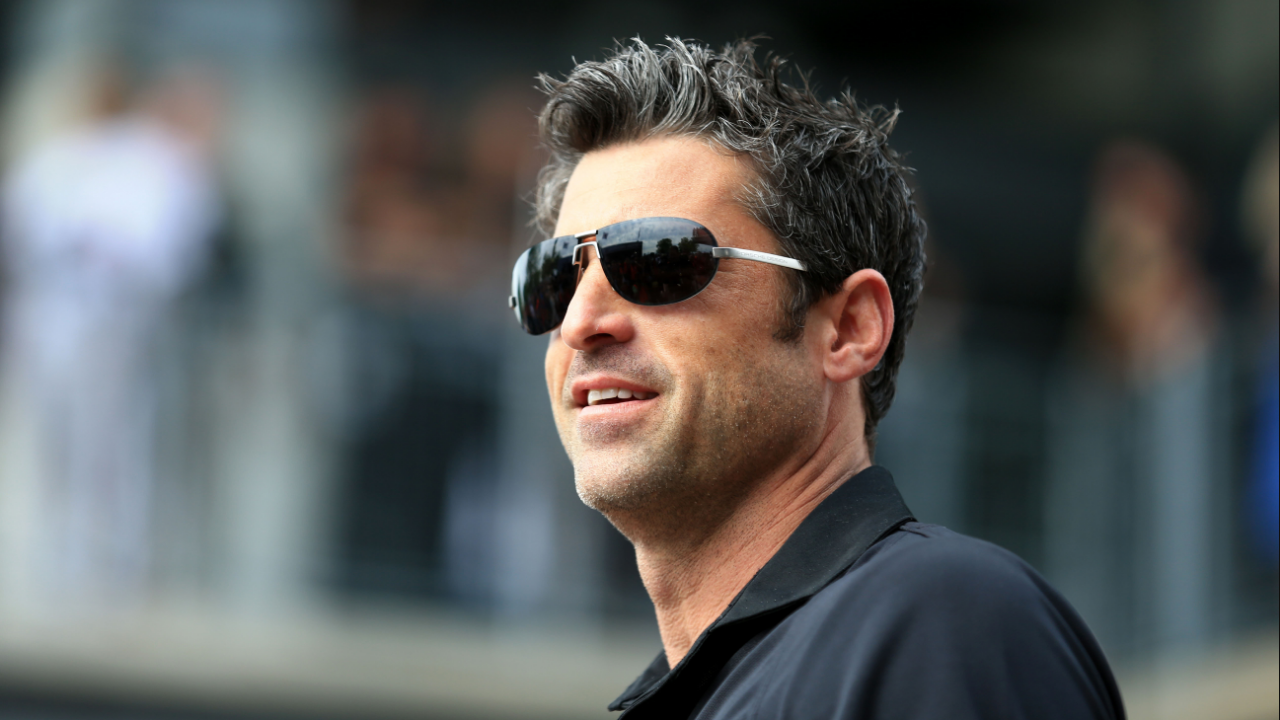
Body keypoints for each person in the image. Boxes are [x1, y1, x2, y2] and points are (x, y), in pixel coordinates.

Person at [509, 39, 1125, 719]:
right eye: (555, 279)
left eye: (657, 260)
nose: (580, 323)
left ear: (849, 328)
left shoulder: (941, 620)